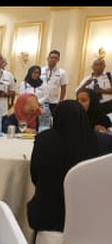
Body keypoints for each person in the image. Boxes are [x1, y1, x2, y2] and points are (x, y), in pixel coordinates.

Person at [27, 100, 112, 234]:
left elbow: (35, 176)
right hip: (92, 216)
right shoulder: (104, 141)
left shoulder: (44, 140)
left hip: (48, 216)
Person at [40, 50, 68, 116]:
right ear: (48, 58)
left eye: (55, 58)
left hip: (53, 102)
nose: (53, 59)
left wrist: (60, 102)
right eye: (51, 57)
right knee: (40, 121)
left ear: (58, 60)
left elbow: (63, 88)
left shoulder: (62, 73)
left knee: (51, 121)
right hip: (41, 101)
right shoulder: (41, 70)